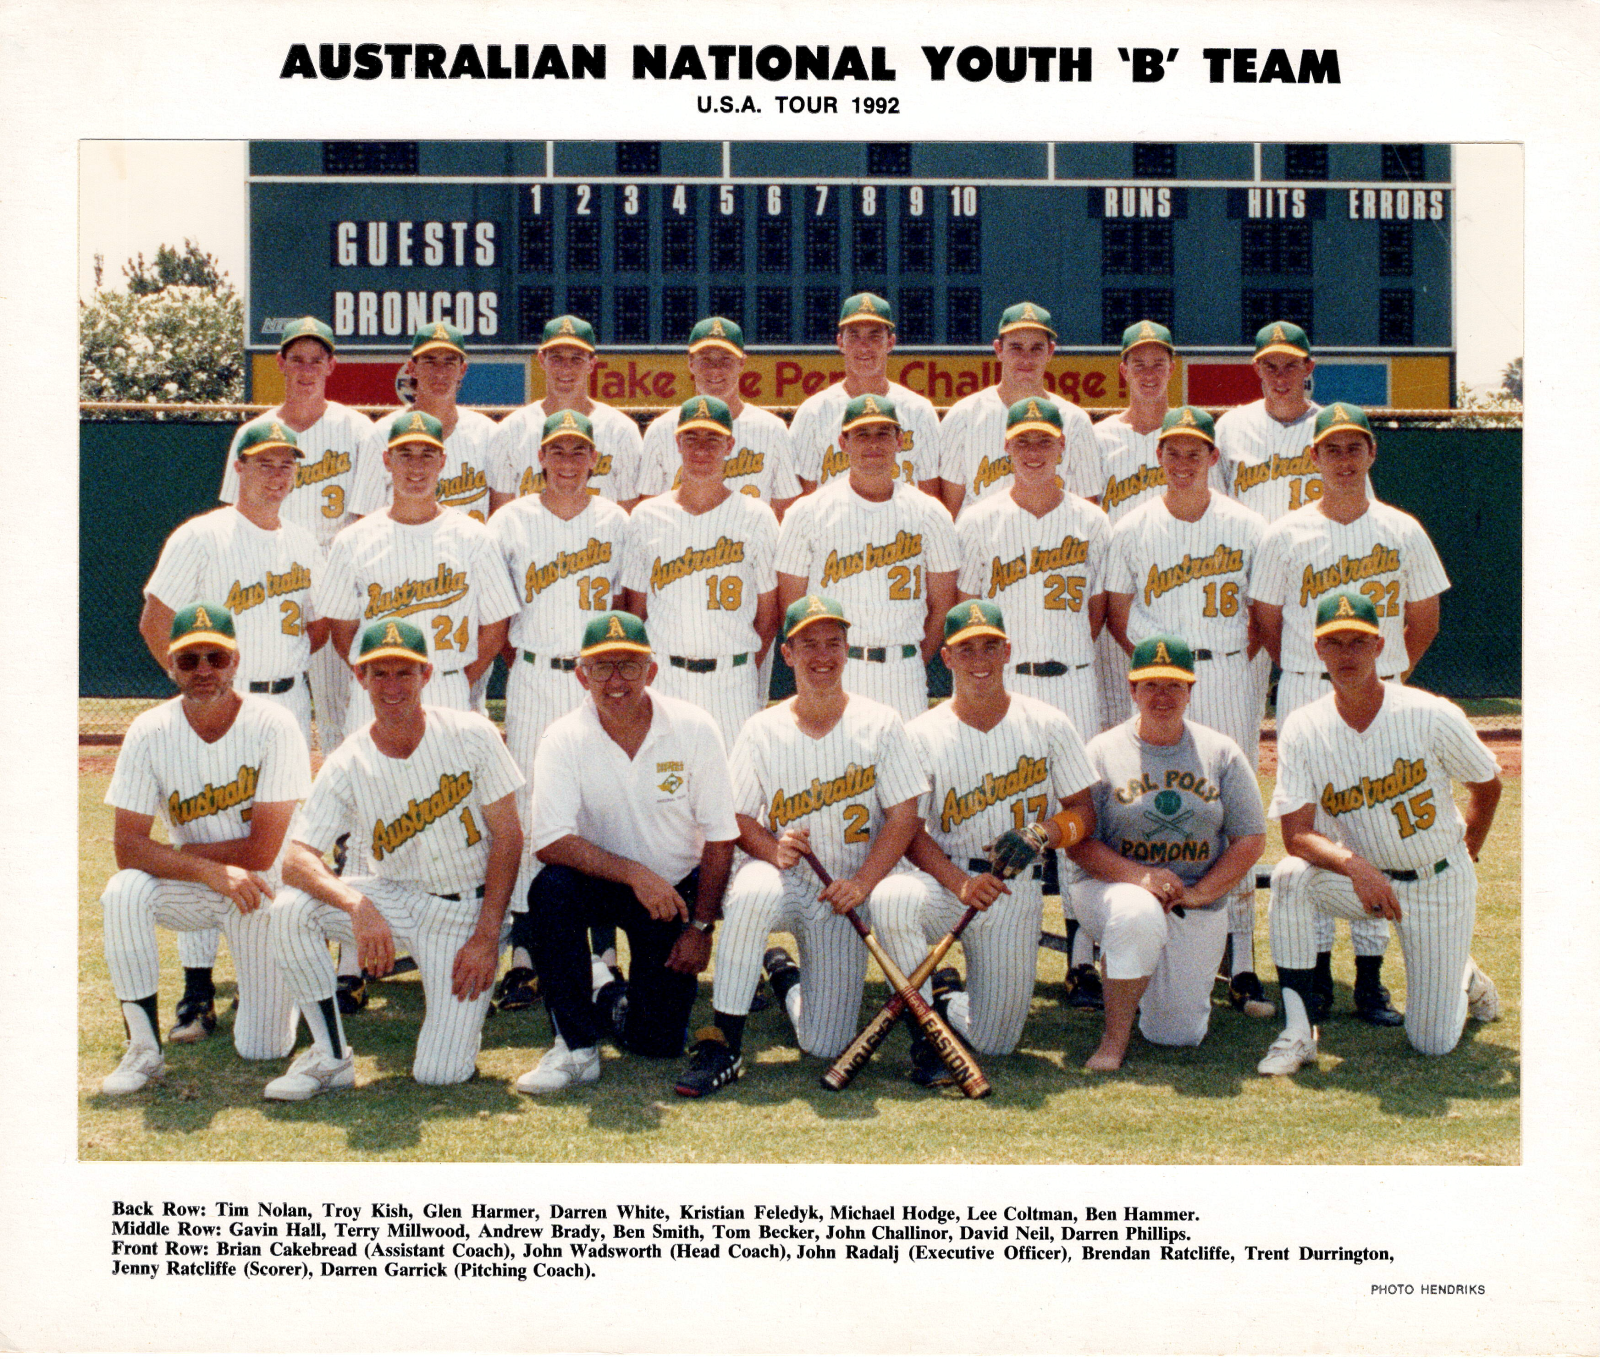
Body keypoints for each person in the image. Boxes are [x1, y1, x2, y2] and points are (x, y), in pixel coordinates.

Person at [676, 595, 927, 1096]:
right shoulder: (761, 727)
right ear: (787, 654)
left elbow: (904, 817)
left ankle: (785, 979)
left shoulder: (881, 722)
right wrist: (771, 849)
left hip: (844, 893)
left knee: (823, 1042)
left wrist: (862, 883)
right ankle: (722, 1044)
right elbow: (738, 816)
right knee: (752, 894)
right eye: (808, 644)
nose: (822, 655)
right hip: (787, 879)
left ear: (847, 650)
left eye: (833, 643)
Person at [265, 618, 524, 1098]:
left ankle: (463, 1000)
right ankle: (330, 1055)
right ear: (359, 677)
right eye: (378, 673)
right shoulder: (350, 758)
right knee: (289, 910)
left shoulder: (472, 733)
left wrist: (487, 938)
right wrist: (356, 906)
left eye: (403, 672)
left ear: (426, 674)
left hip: (465, 912)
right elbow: (295, 859)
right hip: (394, 898)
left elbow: (509, 838)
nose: (391, 686)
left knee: (439, 1074)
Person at [1251, 403, 1450, 1023]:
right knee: (1312, 828)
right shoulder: (1285, 533)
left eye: (1353, 447)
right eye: (1331, 448)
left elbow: (1423, 617)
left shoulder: (1401, 528)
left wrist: (1387, 676)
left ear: (1371, 453)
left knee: (1374, 825)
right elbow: (1267, 619)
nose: (1342, 459)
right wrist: (1312, 668)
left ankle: (1369, 980)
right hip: (1309, 685)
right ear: (1312, 457)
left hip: (1379, 686)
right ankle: (1314, 983)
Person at [1256, 591, 1502, 1075]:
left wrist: (1468, 847)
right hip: (1367, 884)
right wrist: (1354, 866)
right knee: (1290, 878)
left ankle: (1462, 974)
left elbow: (1488, 784)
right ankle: (1298, 1031)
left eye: (1358, 642)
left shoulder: (1429, 713)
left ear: (1379, 646)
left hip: (1436, 882)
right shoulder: (1305, 727)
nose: (1347, 653)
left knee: (1430, 1043)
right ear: (1318, 649)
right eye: (1335, 642)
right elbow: (1297, 835)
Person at [140, 417, 324, 1040]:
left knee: (272, 844)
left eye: (286, 463)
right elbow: (154, 621)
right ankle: (196, 993)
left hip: (285, 704)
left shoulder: (304, 542)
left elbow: (315, 629)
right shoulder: (202, 536)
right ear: (237, 468)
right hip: (220, 703)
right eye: (264, 462)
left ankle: (264, 986)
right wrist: (198, 688)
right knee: (201, 832)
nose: (276, 473)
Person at [874, 601, 1097, 1085]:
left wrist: (1044, 832)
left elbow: (1085, 812)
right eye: (966, 649)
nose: (980, 659)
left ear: (1008, 651)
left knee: (996, 1040)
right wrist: (958, 883)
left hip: (1014, 888)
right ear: (947, 658)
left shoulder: (1049, 723)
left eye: (990, 647)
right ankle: (926, 1037)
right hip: (947, 880)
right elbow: (908, 829)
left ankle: (945, 996)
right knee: (891, 900)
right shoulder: (920, 733)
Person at [518, 611, 738, 1094]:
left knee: (657, 1043)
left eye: (629, 666)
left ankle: (607, 990)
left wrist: (701, 928)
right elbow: (550, 841)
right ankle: (574, 1047)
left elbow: (721, 837)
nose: (615, 680)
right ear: (581, 675)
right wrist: (635, 873)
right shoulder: (563, 737)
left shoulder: (695, 727)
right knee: (549, 889)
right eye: (602, 667)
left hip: (672, 896)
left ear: (651, 671)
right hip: (599, 884)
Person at [1102, 405, 1273, 1016]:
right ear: (1158, 457)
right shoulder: (1131, 527)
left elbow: (1265, 612)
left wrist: (1232, 660)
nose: (1182, 462)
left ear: (1213, 458)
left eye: (1193, 451)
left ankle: (1244, 959)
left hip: (1227, 667)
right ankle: (1139, 941)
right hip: (1161, 672)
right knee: (1154, 798)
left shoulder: (1249, 525)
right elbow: (1120, 615)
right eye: (1172, 451)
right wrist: (1156, 673)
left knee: (1231, 810)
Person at [98, 602, 309, 1093]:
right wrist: (207, 871)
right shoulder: (148, 731)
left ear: (236, 661)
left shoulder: (274, 725)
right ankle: (143, 1048)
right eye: (189, 660)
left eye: (216, 657)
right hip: (199, 888)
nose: (204, 671)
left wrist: (177, 858)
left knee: (263, 1047)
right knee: (124, 890)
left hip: (260, 890)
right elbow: (127, 850)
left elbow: (261, 852)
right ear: (171, 665)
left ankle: (284, 987)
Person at [1064, 635, 1267, 1071]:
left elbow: (1250, 838)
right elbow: (1078, 842)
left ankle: (1132, 966)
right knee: (1137, 913)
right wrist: (1140, 877)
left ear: (1191, 690)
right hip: (1113, 888)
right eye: (1150, 684)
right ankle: (1114, 1040)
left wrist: (1199, 893)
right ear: (1132, 689)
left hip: (1193, 896)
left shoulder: (1221, 753)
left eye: (1174, 685)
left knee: (1177, 1035)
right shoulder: (1101, 751)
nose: (1162, 696)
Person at [488, 408, 631, 1003]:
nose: (568, 462)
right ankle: (525, 951)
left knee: (597, 803)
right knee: (528, 809)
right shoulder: (510, 522)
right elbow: (495, 613)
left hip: (599, 678)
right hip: (537, 673)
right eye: (558, 451)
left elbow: (627, 605)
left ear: (595, 459)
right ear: (539, 457)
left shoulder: (617, 521)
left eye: (579, 452)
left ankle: (602, 952)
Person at [218, 316, 372, 747]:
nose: (306, 370)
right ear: (281, 364)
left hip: (336, 577)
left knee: (342, 706)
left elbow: (363, 521)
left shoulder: (357, 429)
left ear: (331, 366)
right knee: (264, 690)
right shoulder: (253, 432)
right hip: (273, 577)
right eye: (297, 360)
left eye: (316, 360)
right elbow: (237, 516)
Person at [316, 409, 517, 733]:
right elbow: (342, 632)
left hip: (448, 685)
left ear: (442, 461)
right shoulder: (352, 540)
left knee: (447, 783)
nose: (416, 466)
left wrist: (459, 679)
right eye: (405, 454)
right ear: (386, 460)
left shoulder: (475, 538)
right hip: (376, 695)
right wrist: (378, 678)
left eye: (427, 454)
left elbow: (495, 627)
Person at [775, 394, 959, 721]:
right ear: (843, 442)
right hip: (832, 672)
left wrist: (913, 656)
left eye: (883, 433)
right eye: (862, 434)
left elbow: (942, 606)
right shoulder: (806, 513)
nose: (873, 444)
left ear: (900, 440)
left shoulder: (931, 513)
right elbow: (792, 609)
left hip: (903, 672)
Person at [620, 395, 781, 748]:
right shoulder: (647, 517)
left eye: (713, 439)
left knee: (734, 796)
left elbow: (769, 617)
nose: (702, 449)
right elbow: (637, 613)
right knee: (665, 793)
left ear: (730, 445)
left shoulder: (757, 517)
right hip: (667, 679)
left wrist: (740, 666)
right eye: (692, 438)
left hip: (732, 679)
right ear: (677, 443)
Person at [953, 398, 1109, 742]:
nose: (1033, 452)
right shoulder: (978, 521)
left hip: (1074, 682)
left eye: (1044, 441)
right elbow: (967, 609)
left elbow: (1097, 611)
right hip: (1006, 682)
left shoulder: (1092, 521)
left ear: (1062, 446)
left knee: (1078, 793)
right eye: (1023, 441)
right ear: (1007, 446)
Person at [937, 302, 1101, 518]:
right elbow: (949, 512)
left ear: (1050, 351)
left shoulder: (1075, 421)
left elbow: (1086, 513)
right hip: (983, 547)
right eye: (1016, 347)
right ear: (998, 349)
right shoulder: (964, 416)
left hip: (1050, 547)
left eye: (1036, 348)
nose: (1026, 359)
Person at [637, 316, 801, 516]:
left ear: (742, 363)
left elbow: (785, 510)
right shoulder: (661, 430)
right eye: (705, 359)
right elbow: (649, 514)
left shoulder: (772, 429)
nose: (715, 369)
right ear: (690, 363)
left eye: (725, 359)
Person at [787, 293, 943, 498]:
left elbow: (931, 498)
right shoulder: (813, 412)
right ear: (840, 343)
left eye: (874, 335)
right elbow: (802, 501)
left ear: (890, 342)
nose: (864, 346)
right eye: (854, 336)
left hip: (901, 528)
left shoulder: (920, 411)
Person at [487, 315, 645, 513]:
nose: (566, 367)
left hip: (599, 543)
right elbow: (503, 517)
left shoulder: (621, 431)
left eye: (576, 359)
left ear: (591, 363)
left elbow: (627, 515)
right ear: (541, 360)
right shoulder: (511, 430)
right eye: (557, 358)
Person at [350, 323, 496, 525]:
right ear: (412, 368)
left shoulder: (488, 433)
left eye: (449, 362)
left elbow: (500, 515)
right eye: (430, 361)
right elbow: (366, 520)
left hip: (470, 554)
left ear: (462, 369)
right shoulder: (381, 434)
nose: (440, 372)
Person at [1213, 320, 1326, 521]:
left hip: (1312, 550)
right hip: (1249, 550)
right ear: (1257, 368)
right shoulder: (1230, 427)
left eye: (1290, 366)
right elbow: (1212, 502)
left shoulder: (1329, 427)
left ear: (1308, 367)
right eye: (1270, 366)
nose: (1280, 377)